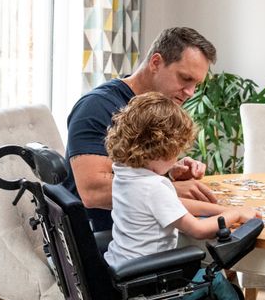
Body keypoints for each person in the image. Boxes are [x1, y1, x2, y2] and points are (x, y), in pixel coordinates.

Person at [103, 92, 259, 300]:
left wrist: (222, 210)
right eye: (175, 152)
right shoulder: (155, 186)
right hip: (152, 287)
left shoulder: (124, 174)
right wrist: (235, 214)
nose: (177, 159)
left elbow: (172, 206)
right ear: (161, 149)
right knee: (217, 280)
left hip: (123, 276)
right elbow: (197, 230)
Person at [63, 26, 222, 232]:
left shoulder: (155, 110)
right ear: (156, 63)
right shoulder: (96, 107)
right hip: (110, 245)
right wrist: (168, 190)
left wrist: (168, 172)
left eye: (196, 85)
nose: (191, 93)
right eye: (185, 78)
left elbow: (125, 172)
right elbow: (92, 192)